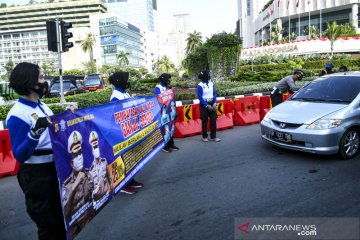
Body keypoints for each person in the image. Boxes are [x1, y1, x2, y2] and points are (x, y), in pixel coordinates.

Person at [6, 62, 66, 240]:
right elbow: (19, 154)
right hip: (36, 175)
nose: (44, 81)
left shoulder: (41, 106)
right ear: (31, 83)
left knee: (61, 220)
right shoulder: (17, 114)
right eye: (41, 77)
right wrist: (34, 133)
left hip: (54, 169)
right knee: (48, 226)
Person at [109, 71, 144, 194]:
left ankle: (130, 179)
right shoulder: (115, 96)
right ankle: (122, 184)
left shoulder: (124, 93)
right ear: (119, 81)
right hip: (121, 132)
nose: (127, 81)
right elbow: (116, 115)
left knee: (130, 156)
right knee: (123, 156)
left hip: (130, 129)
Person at [62, 130, 93, 237]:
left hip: (90, 220)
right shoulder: (66, 185)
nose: (79, 156)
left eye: (80, 152)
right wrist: (75, 184)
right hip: (75, 228)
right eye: (76, 154)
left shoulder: (89, 174)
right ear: (71, 162)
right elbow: (65, 212)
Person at [154, 73, 180, 152]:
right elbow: (158, 99)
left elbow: (173, 99)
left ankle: (171, 144)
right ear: (164, 79)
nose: (169, 80)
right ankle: (165, 146)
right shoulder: (158, 87)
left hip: (171, 111)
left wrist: (175, 110)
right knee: (165, 128)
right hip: (164, 112)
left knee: (171, 127)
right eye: (168, 79)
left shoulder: (169, 88)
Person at [197, 70, 221, 142]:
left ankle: (213, 136)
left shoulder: (211, 84)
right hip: (204, 105)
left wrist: (215, 102)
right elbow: (200, 97)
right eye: (208, 75)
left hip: (212, 103)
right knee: (205, 120)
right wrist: (207, 106)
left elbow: (214, 94)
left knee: (213, 120)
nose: (209, 76)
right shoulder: (200, 85)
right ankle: (204, 136)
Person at [89, 131, 113, 203]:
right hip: (97, 202)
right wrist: (97, 189)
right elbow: (91, 193)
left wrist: (112, 190)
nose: (96, 149)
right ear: (92, 150)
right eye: (94, 147)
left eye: (97, 146)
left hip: (106, 195)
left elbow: (109, 178)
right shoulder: (91, 169)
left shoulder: (104, 161)